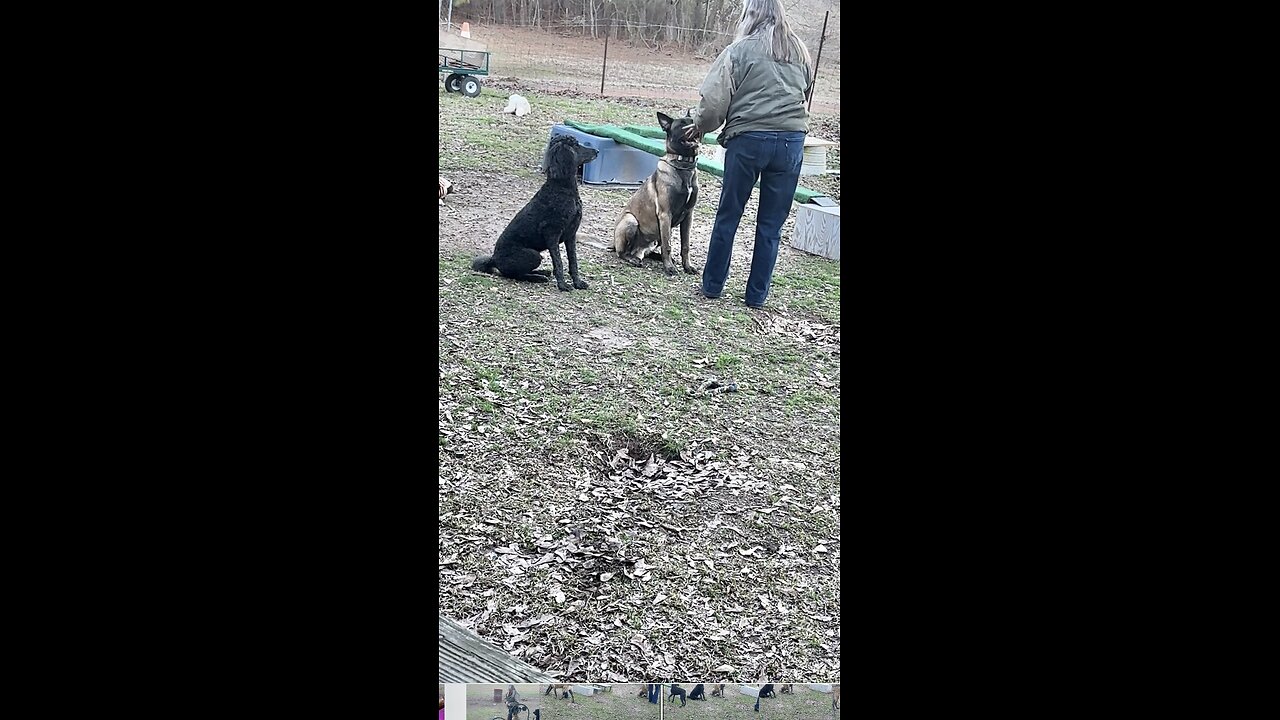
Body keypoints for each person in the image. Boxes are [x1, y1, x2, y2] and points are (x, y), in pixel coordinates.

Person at [684, 0, 813, 309]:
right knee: (771, 225)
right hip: (790, 144)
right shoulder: (800, 51)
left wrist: (699, 125)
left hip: (749, 141)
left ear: (749, 15)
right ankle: (756, 296)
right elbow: (805, 91)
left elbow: (714, 104)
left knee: (729, 215)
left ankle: (712, 286)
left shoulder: (739, 50)